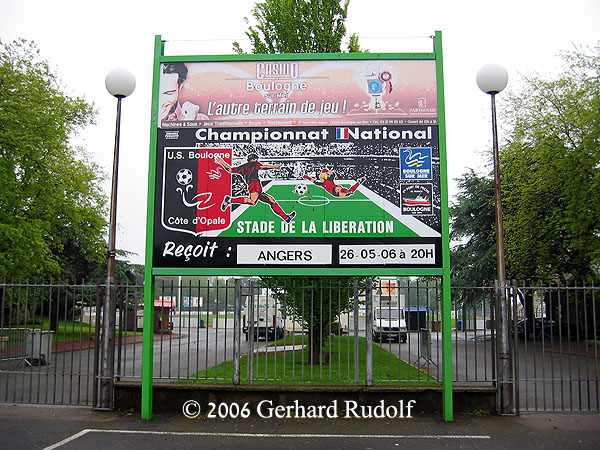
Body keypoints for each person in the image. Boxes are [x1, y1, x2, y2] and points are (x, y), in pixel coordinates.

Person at [215, 154, 296, 223]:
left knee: (271, 200)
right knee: (252, 202)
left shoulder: (243, 167)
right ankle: (230, 200)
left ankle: (286, 218)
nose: (257, 160)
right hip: (254, 184)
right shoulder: (254, 163)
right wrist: (275, 166)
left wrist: (222, 162)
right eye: (256, 159)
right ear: (253, 159)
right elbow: (263, 166)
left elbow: (230, 169)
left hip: (253, 185)